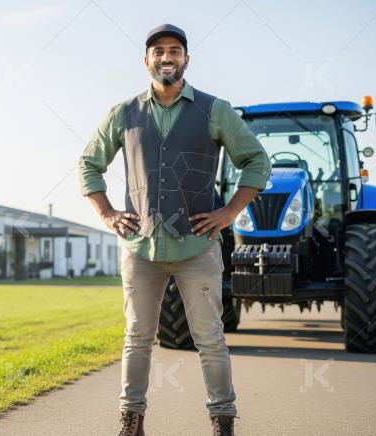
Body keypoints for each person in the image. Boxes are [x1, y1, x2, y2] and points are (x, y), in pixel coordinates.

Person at [78, 24, 272, 436]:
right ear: (146, 60)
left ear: (186, 59)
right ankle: (132, 421)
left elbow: (257, 161)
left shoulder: (214, 109)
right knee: (137, 338)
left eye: (175, 51)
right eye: (159, 51)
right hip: (139, 248)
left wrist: (229, 212)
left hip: (197, 247)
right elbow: (89, 164)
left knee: (210, 339)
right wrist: (108, 213)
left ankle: (223, 421)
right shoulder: (123, 113)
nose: (167, 57)